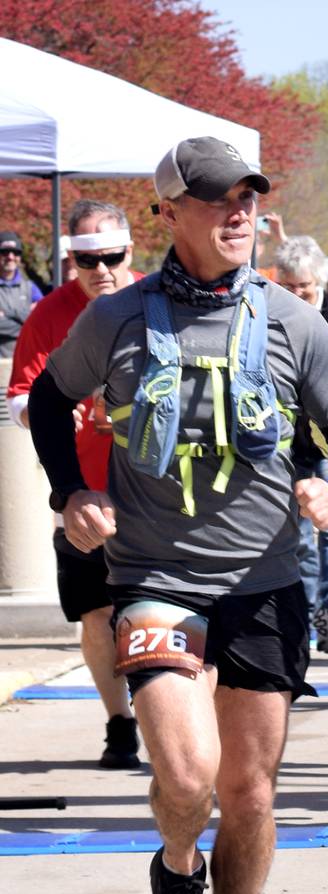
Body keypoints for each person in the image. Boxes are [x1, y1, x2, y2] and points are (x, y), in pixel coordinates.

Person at [27, 136, 328, 894]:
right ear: (170, 213)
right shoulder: (119, 318)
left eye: (248, 200)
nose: (237, 214)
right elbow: (47, 402)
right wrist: (73, 492)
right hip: (153, 574)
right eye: (217, 200)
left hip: (265, 582)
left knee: (252, 792)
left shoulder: (294, 322)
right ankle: (178, 860)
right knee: (188, 774)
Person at [7, 200, 142, 768]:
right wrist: (57, 414)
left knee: (154, 612)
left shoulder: (156, 301)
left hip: (154, 494)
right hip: (82, 492)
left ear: (130, 252)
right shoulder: (51, 313)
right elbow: (19, 397)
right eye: (89, 259)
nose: (102, 269)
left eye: (112, 256)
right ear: (72, 260)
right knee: (97, 618)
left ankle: (169, 713)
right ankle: (119, 722)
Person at [275, 235, 328, 652]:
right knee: (302, 532)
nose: (297, 294)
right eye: (288, 286)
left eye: (303, 286)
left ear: (319, 280)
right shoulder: (271, 321)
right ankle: (307, 613)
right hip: (291, 445)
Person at [0, 230, 43, 357]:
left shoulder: (31, 287)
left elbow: (42, 321)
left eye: (16, 252)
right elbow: (33, 325)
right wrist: (26, 317)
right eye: (4, 252)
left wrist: (6, 314)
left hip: (26, 364)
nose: (10, 257)